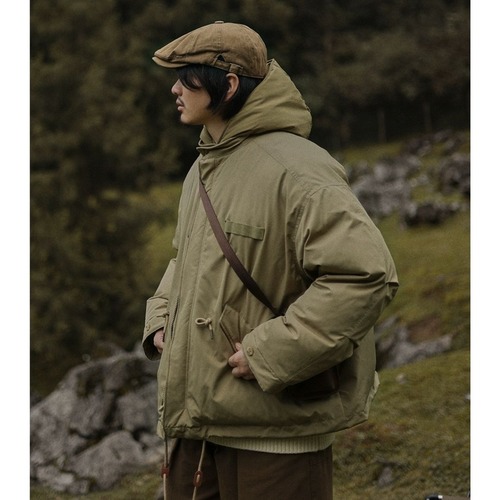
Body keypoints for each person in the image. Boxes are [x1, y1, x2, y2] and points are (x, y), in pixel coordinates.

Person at [142, 21, 399, 500]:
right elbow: (188, 258)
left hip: (275, 437)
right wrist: (161, 317)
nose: (174, 89)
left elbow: (365, 277)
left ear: (228, 85)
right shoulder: (203, 167)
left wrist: (272, 352)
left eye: (186, 77)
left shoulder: (298, 169)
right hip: (195, 430)